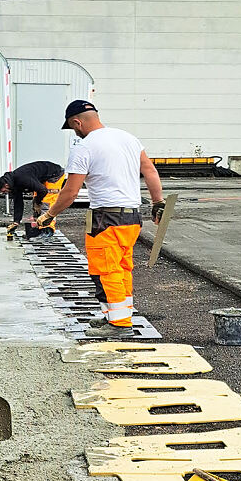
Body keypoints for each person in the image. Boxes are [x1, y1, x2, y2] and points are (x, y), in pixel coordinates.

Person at [35, 100, 164, 333]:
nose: (75, 132)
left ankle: (119, 324)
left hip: (106, 218)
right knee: (122, 267)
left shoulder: (84, 147)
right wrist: (158, 202)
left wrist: (50, 214)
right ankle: (117, 315)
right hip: (132, 217)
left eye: (73, 128)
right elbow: (150, 171)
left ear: (77, 122)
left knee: (106, 270)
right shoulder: (128, 138)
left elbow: (71, 192)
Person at [0, 159, 64, 227]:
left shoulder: (22, 178)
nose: (5, 193)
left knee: (46, 203)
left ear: (6, 185)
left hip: (55, 174)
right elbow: (18, 203)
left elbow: (43, 190)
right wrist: (16, 222)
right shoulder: (13, 184)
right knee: (36, 202)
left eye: (3, 191)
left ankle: (47, 230)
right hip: (42, 178)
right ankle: (38, 226)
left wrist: (38, 202)